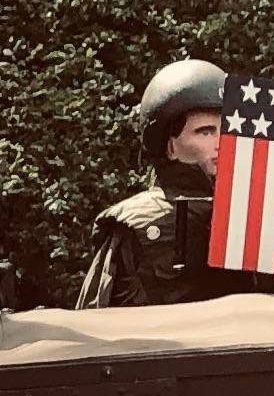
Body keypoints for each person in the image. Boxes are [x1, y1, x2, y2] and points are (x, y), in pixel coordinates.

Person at [76, 57, 226, 308]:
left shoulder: (261, 214)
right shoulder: (137, 225)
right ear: (169, 146)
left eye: (228, 131)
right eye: (206, 132)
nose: (222, 143)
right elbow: (98, 320)